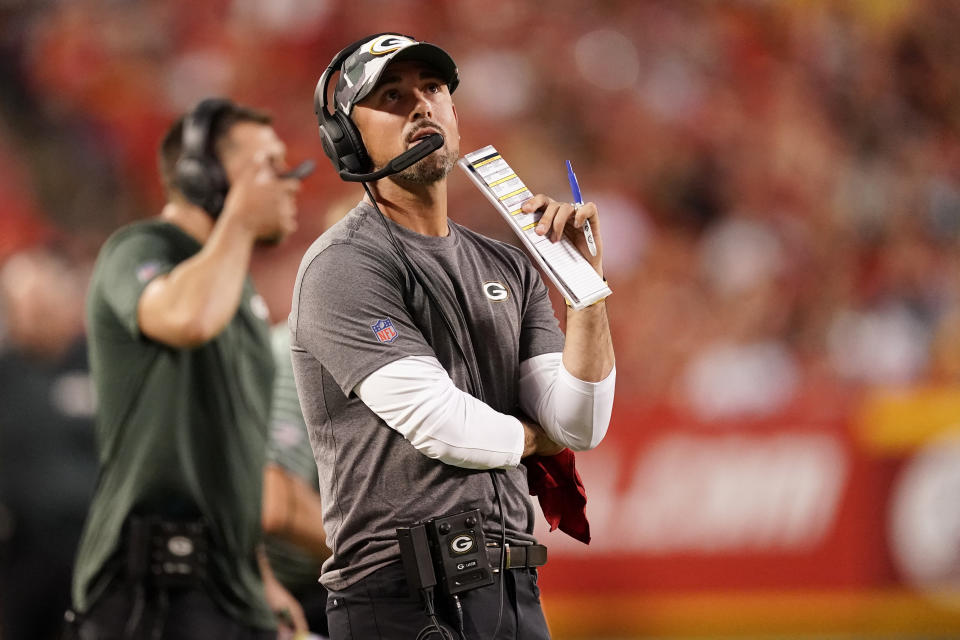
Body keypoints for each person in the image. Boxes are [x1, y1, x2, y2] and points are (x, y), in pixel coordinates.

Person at [290, 33, 616, 639]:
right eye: (391, 95)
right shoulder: (343, 264)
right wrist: (536, 439)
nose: (421, 106)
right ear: (347, 136)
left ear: (455, 115)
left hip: (514, 586)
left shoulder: (510, 264)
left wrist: (586, 290)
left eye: (433, 89)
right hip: (402, 597)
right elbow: (443, 427)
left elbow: (580, 423)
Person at [67, 98, 309, 639]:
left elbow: (234, 457)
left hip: (229, 588)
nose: (291, 180)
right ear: (207, 176)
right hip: (153, 588)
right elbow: (186, 318)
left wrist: (257, 574)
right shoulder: (140, 248)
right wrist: (242, 219)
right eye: (269, 166)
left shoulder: (236, 290)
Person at [0, 248, 97, 640]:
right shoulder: (5, 376)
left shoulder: (99, 364)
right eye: (27, 303)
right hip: (24, 555)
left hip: (95, 550)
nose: (37, 313)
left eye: (46, 301)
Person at [262, 324, 331, 637]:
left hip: (320, 584)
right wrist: (390, 558)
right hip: (277, 596)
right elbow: (275, 502)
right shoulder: (302, 346)